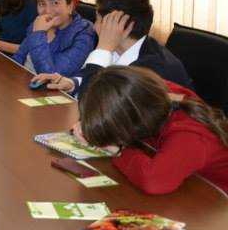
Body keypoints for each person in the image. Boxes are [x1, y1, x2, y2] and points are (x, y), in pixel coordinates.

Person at [77, 66, 228, 195]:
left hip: (216, 205)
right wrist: (90, 121)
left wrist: (118, 150)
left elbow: (154, 182)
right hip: (189, 184)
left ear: (135, 121)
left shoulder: (190, 137)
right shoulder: (150, 94)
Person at [31, 0, 193, 95]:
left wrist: (103, 48)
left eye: (98, 20)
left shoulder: (150, 69)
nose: (94, 26)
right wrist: (72, 83)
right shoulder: (121, 50)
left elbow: (93, 106)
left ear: (119, 25)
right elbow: (94, 76)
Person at [12, 0, 96, 76]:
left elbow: (51, 78)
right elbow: (18, 58)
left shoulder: (84, 34)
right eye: (41, 4)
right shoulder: (39, 22)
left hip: (44, 85)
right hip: (23, 80)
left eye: (55, 3)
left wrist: (38, 34)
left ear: (70, 6)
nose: (47, 11)